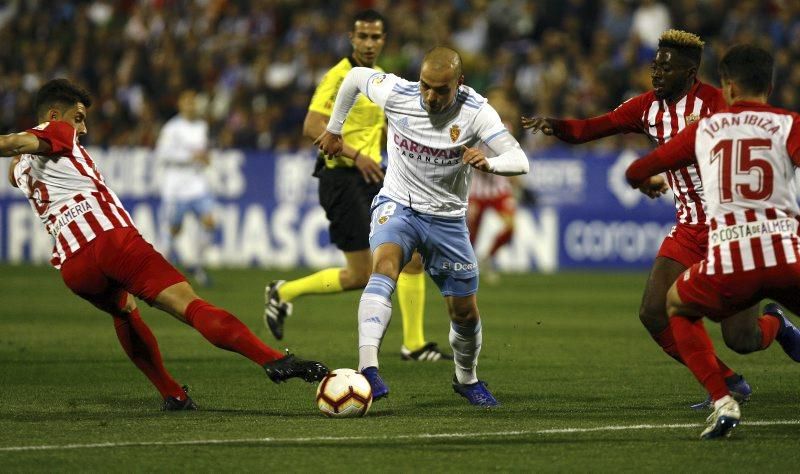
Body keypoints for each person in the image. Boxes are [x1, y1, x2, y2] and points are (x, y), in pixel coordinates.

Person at [1, 78, 328, 411]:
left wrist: (16, 156)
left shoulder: (21, 167)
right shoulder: (56, 131)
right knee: (189, 305)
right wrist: (20, 141)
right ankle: (272, 359)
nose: (82, 128)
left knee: (125, 311)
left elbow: (16, 166)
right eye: (78, 118)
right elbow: (13, 141)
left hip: (74, 267)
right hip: (112, 241)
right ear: (55, 115)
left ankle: (173, 394)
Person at [522, 29, 763, 409]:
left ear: (690, 72)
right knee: (653, 312)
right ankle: (727, 382)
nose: (656, 73)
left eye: (666, 68)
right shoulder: (646, 107)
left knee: (740, 336)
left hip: (730, 227)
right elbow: (593, 128)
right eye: (655, 65)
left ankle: (775, 325)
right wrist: (556, 125)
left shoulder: (716, 104)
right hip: (688, 226)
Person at [316, 46, 530, 406]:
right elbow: (353, 78)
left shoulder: (477, 113)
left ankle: (466, 378)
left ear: (459, 84)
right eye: (425, 86)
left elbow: (519, 160)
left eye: (440, 89)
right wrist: (335, 130)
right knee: (383, 267)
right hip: (398, 205)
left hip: (447, 219)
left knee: (463, 311)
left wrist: (489, 164)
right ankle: (368, 368)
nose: (430, 96)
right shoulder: (398, 92)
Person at [625, 44, 800, 439]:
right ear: (770, 85)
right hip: (787, 249)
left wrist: (645, 180)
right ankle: (767, 338)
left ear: (728, 86)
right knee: (740, 338)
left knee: (677, 306)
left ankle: (723, 401)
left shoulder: (705, 130)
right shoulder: (789, 123)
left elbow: (638, 169)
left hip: (732, 254)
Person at [264, 10, 450, 362]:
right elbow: (311, 125)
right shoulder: (338, 77)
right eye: (362, 37)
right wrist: (355, 155)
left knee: (410, 258)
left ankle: (414, 344)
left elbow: (380, 131)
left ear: (383, 40)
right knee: (361, 275)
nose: (368, 43)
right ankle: (284, 291)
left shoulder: (378, 79)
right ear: (352, 38)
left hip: (373, 177)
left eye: (375, 37)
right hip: (341, 178)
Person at [468, 89, 533, 283]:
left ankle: (487, 258)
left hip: (499, 190)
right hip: (477, 191)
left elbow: (511, 158)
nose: (500, 106)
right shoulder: (474, 126)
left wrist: (520, 185)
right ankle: (468, 268)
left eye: (502, 102)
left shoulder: (507, 128)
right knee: (470, 236)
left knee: (510, 228)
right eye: (496, 102)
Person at [155, 89, 217, 287]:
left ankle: (196, 264)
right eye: (187, 102)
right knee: (174, 229)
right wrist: (190, 158)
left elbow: (202, 151)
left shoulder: (201, 126)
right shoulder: (171, 128)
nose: (191, 106)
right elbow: (163, 154)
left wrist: (205, 159)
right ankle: (160, 268)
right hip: (176, 188)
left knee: (209, 222)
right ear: (180, 105)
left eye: (193, 102)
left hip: (197, 185)